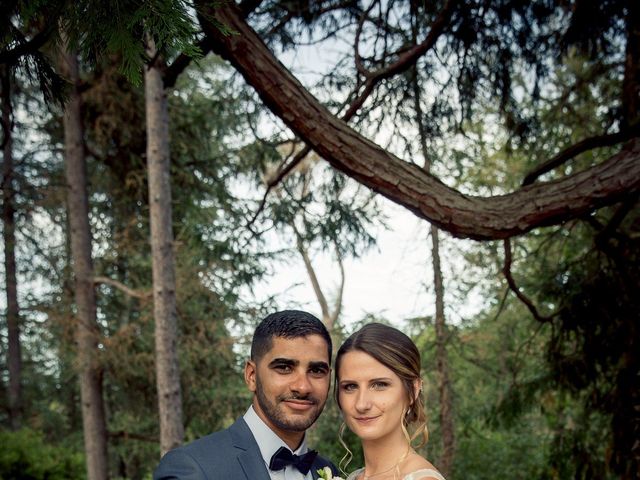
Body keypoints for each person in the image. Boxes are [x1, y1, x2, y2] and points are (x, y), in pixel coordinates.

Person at [154, 310, 339, 480]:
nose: (303, 386)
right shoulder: (194, 467)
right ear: (251, 376)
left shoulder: (327, 470)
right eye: (284, 368)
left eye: (316, 370)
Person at [334, 323, 446, 480]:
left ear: (413, 390)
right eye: (350, 386)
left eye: (380, 385)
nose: (361, 404)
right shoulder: (355, 477)